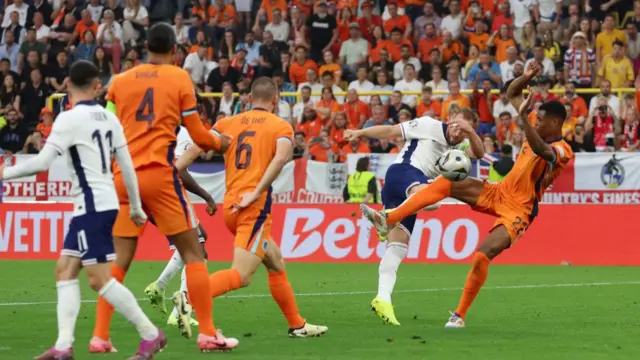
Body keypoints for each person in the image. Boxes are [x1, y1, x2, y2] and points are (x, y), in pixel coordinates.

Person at [360, 62, 574, 328]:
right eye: (535, 118)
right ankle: (390, 217)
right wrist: (526, 76)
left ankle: (459, 315)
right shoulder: (536, 126)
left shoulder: (564, 150)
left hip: (520, 210)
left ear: (555, 122)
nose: (535, 121)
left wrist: (522, 117)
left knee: (483, 255)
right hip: (499, 191)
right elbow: (512, 94)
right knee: (447, 181)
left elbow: (542, 150)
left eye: (540, 119)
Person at [0, 60, 165, 360]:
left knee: (99, 279)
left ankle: (151, 334)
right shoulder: (109, 119)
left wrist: (4, 173)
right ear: (96, 85)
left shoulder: (68, 119)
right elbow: (126, 166)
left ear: (67, 85)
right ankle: (63, 346)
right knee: (65, 269)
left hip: (92, 206)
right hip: (99, 204)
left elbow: (41, 163)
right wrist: (137, 206)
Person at [90, 23, 238, 353]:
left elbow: (107, 127)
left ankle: (100, 335)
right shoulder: (179, 78)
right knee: (194, 251)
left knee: (119, 261)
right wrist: (221, 142)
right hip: (158, 174)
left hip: (123, 179)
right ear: (174, 50)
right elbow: (199, 136)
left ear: (145, 47)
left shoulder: (121, 81)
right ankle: (209, 333)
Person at [176, 77, 328, 338]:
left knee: (276, 262)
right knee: (242, 275)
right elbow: (281, 159)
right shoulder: (280, 126)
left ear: (248, 98)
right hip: (253, 209)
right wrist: (256, 192)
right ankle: (189, 296)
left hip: (230, 208)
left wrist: (172, 173)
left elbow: (191, 153)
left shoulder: (227, 123)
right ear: (276, 99)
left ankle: (298, 325)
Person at [343, 108, 484, 325]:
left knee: (397, 248)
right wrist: (360, 133)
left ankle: (383, 299)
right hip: (403, 173)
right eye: (457, 125)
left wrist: (471, 133)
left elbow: (479, 154)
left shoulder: (462, 144)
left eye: (464, 130)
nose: (458, 132)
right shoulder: (429, 125)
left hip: (414, 193)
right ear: (449, 119)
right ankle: (387, 218)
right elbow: (391, 130)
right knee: (434, 201)